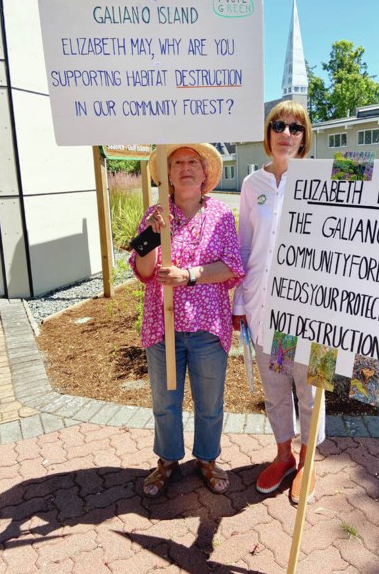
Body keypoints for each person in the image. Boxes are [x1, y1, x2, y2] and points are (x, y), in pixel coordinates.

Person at [130, 143, 245, 498]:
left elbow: (231, 267)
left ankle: (207, 460)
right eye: (177, 162)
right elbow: (144, 271)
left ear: (204, 171)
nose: (185, 168)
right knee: (165, 402)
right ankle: (167, 461)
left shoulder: (222, 216)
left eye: (192, 162)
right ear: (167, 173)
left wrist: (189, 275)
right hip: (161, 326)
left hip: (207, 326)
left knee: (209, 402)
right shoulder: (155, 212)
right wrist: (150, 236)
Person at [232, 101, 326, 504]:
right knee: (275, 387)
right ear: (268, 133)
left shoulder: (327, 180)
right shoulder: (253, 184)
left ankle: (308, 461)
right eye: (278, 125)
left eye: (296, 127)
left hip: (310, 312)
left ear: (305, 137)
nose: (286, 133)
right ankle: (284, 455)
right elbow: (245, 245)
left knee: (310, 387)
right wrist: (239, 302)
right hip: (266, 309)